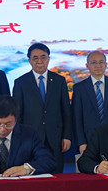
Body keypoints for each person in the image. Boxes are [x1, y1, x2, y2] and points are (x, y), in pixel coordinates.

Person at [12, 43, 72, 173]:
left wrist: (67, 136)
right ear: (29, 60)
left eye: (43, 57)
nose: (40, 61)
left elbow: (66, 111)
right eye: (35, 58)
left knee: (56, 176)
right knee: (32, 177)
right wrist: (18, 140)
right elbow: (17, 115)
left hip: (56, 139)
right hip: (30, 139)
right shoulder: (20, 82)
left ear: (48, 59)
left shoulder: (59, 81)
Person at [72, 50, 108, 154]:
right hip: (89, 139)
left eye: (101, 62)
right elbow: (77, 118)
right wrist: (81, 142)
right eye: (94, 62)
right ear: (87, 66)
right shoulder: (79, 88)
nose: (98, 65)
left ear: (106, 65)